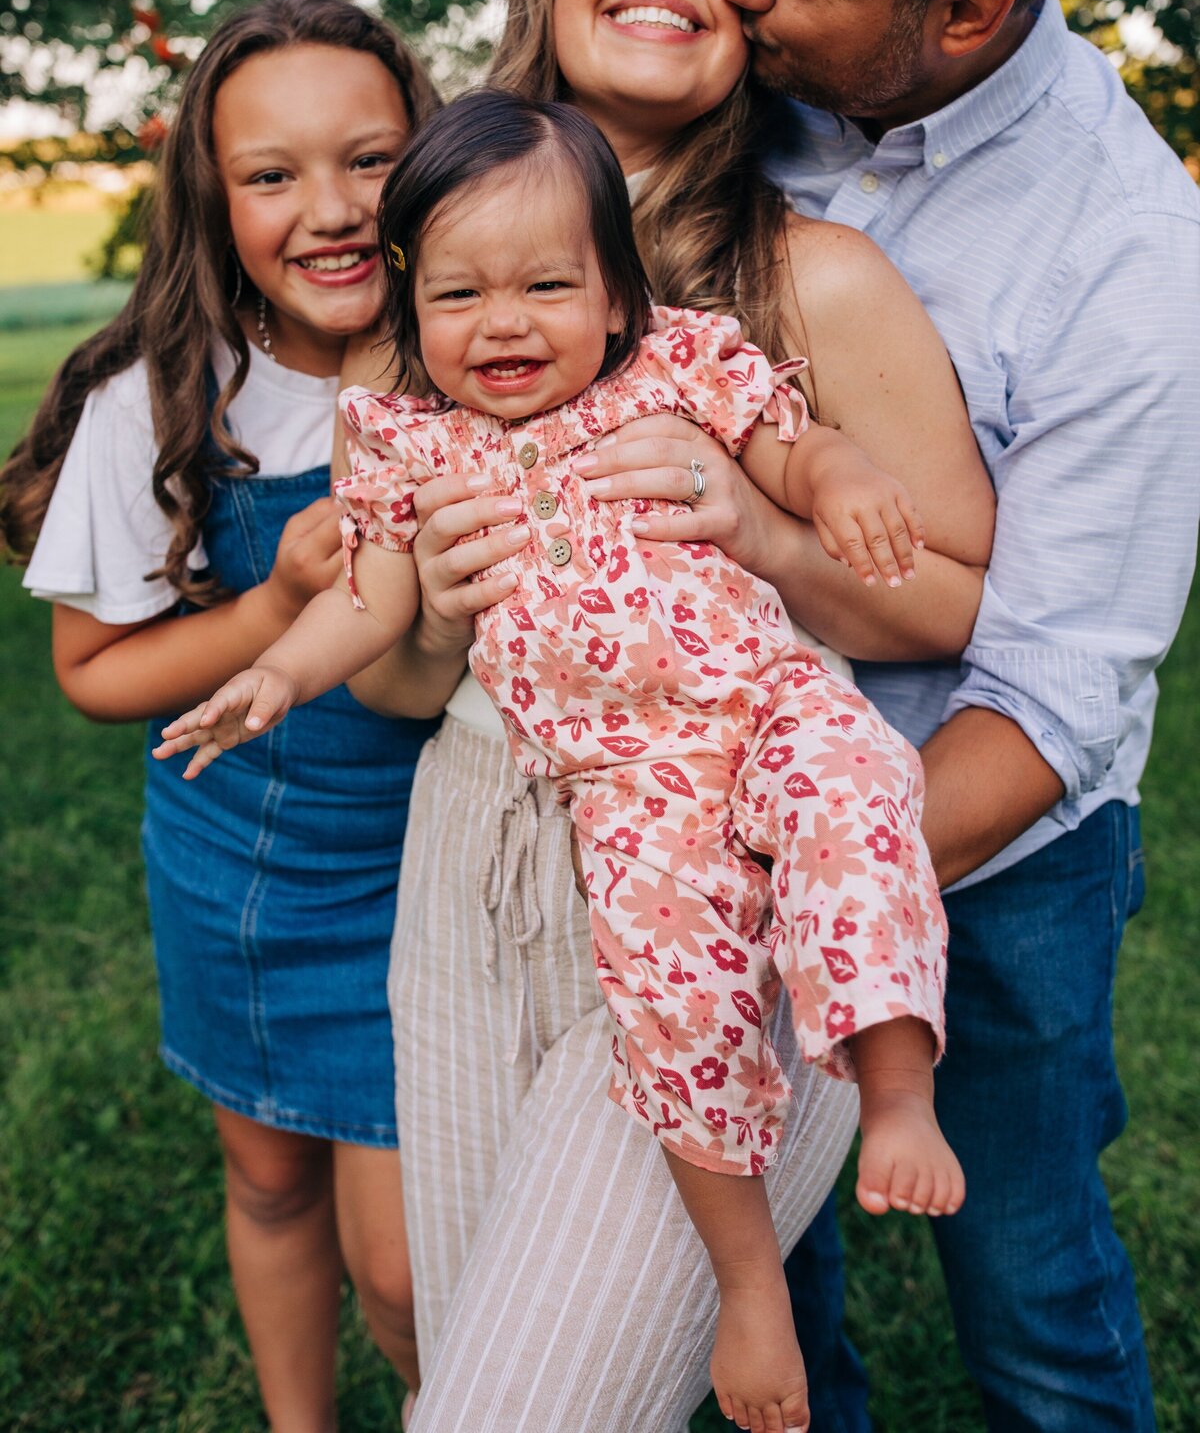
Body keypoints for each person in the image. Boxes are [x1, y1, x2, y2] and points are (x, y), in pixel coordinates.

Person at [156, 88, 966, 1433]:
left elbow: (796, 443)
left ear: (616, 297)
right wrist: (278, 673)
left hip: (765, 705)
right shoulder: (412, 442)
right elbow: (368, 599)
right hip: (627, 787)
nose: (505, 323)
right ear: (411, 302)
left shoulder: (676, 369)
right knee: (671, 999)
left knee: (860, 789)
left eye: (547, 286)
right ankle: (748, 1286)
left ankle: (898, 1090)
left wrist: (843, 487)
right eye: (459, 294)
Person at [340, 0, 994, 1431]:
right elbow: (399, 684)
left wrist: (759, 524)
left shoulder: (812, 278)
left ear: (759, 7)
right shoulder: (432, 302)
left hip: (712, 853)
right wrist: (429, 613)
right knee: (457, 1341)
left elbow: (952, 604)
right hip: (468, 861)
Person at [707, 0, 1200, 1433]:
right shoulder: (743, 85)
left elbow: (1056, 687)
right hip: (716, 794)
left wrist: (782, 889)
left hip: (992, 861)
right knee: (762, 1278)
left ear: (969, 8)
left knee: (1031, 1282)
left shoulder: (1128, 256)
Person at [0, 0, 441, 1432]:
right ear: (212, 198)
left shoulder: (474, 355)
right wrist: (267, 613)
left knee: (407, 1267)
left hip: (431, 868)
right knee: (268, 1180)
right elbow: (91, 673)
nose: (332, 209)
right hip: (248, 873)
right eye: (271, 174)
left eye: (370, 159)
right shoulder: (167, 402)